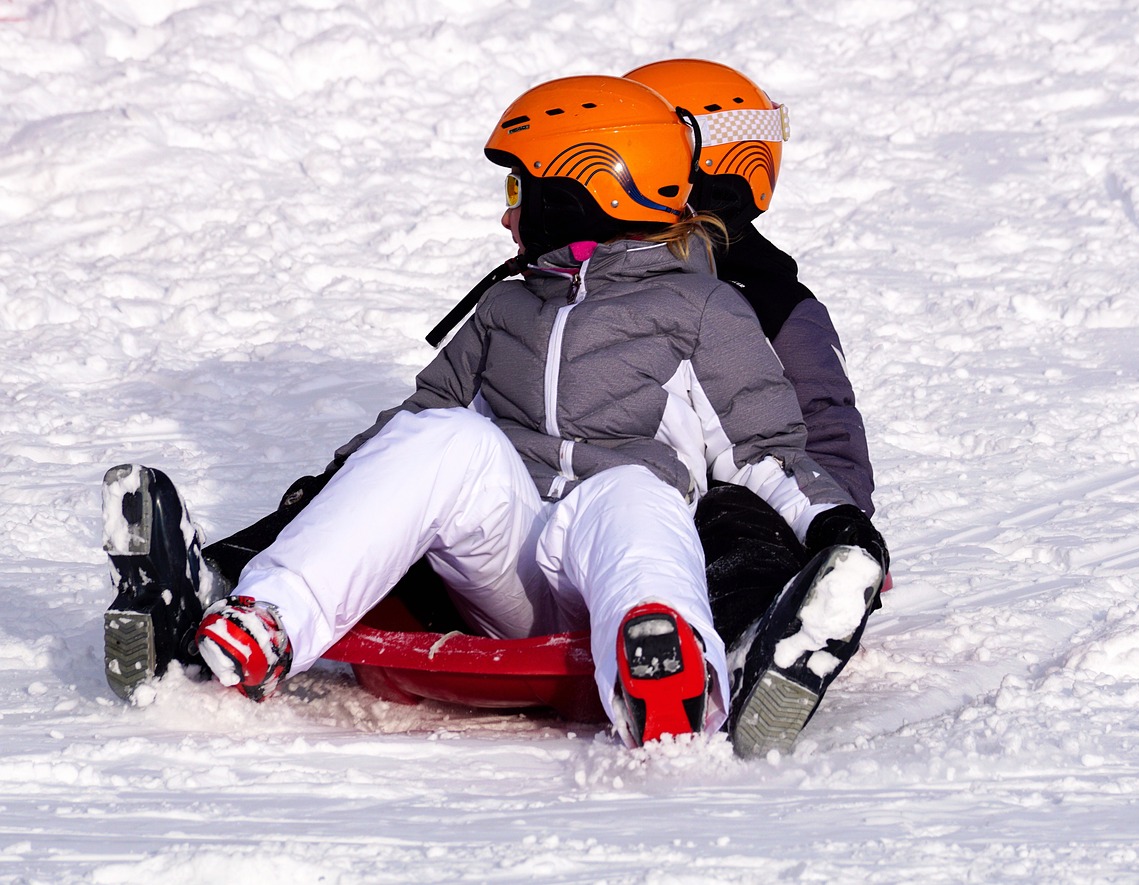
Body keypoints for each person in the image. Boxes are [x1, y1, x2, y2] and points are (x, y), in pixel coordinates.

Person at [102, 75, 883, 752]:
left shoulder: (704, 309)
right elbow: (416, 431)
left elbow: (766, 452)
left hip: (614, 555)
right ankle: (267, 620)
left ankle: (666, 666)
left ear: (583, 185)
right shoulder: (503, 309)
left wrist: (837, 526)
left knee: (636, 489)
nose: (507, 217)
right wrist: (328, 491)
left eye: (520, 191)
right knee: (447, 435)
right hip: (503, 564)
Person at [623, 60, 888, 754]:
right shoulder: (594, 276)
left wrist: (834, 524)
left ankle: (762, 638)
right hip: (610, 494)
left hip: (738, 505)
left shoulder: (771, 300)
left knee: (728, 525)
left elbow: (825, 435)